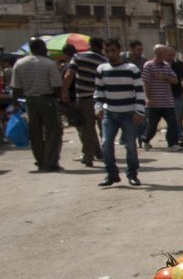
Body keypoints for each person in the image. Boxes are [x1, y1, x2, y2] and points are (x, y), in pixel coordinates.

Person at [94, 39, 146, 186]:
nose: (110, 54)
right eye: (107, 51)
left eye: (113, 50)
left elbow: (139, 92)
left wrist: (139, 111)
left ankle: (132, 174)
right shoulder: (101, 69)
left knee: (130, 145)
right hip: (110, 113)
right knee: (106, 143)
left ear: (119, 50)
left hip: (129, 113)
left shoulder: (131, 69)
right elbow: (99, 93)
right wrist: (98, 107)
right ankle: (111, 174)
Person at [11, 38, 65, 172]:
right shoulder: (49, 64)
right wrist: (61, 103)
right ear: (41, 48)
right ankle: (50, 162)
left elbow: (16, 88)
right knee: (53, 132)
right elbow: (57, 86)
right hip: (47, 101)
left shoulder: (20, 63)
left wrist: (14, 105)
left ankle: (40, 161)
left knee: (35, 133)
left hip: (29, 102)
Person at [65, 36, 106, 166]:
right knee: (104, 130)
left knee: (87, 130)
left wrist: (64, 91)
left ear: (89, 45)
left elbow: (69, 74)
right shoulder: (104, 61)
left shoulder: (78, 57)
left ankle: (88, 158)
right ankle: (106, 155)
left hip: (84, 99)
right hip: (101, 99)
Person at [140, 44, 180, 150]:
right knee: (152, 125)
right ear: (159, 53)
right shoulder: (148, 65)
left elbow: (175, 80)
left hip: (167, 101)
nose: (168, 54)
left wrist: (164, 77)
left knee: (172, 123)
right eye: (166, 52)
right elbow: (145, 82)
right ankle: (146, 140)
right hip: (154, 102)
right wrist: (148, 98)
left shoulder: (166, 66)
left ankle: (172, 143)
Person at [168, 48, 183, 147]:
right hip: (165, 95)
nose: (171, 56)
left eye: (173, 53)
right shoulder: (163, 64)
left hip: (177, 94)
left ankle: (179, 137)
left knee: (178, 117)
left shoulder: (179, 64)